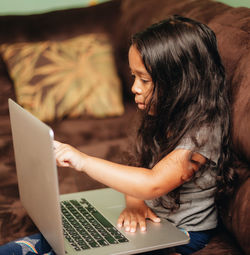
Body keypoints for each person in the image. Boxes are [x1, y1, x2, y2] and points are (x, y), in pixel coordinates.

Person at [0, 15, 236, 255]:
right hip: (151, 219)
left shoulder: (204, 131)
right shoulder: (165, 112)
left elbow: (153, 183)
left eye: (144, 79)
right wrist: (134, 201)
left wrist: (83, 161)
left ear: (181, 83)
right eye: (134, 77)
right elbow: (139, 167)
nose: (135, 87)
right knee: (21, 248)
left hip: (181, 234)